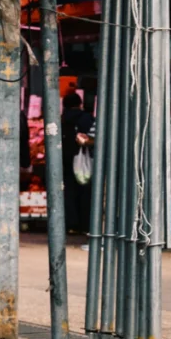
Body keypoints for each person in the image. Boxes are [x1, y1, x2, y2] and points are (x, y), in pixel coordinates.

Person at [62, 92, 95, 234]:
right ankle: (84, 224)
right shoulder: (86, 118)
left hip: (66, 158)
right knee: (85, 190)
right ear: (80, 104)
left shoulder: (62, 118)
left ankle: (71, 223)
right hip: (83, 160)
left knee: (68, 190)